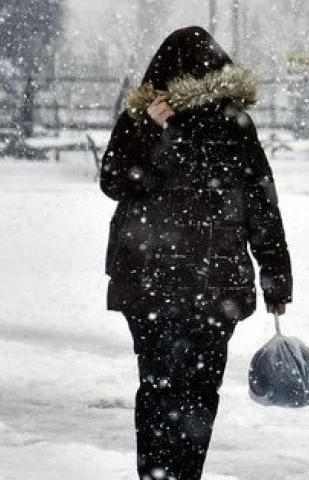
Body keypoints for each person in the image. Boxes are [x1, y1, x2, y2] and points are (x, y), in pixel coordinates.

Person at [100, 26, 292, 480]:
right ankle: (184, 474)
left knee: (158, 389)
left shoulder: (146, 118)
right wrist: (275, 273)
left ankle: (158, 475)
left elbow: (115, 180)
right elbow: (262, 205)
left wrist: (147, 129)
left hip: (152, 285)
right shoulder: (233, 123)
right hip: (213, 287)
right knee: (200, 393)